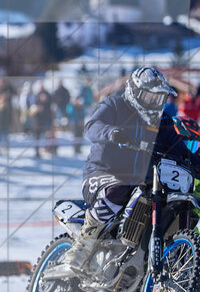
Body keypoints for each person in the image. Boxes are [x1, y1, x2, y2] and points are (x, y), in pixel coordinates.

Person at [65, 67, 197, 272]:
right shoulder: (115, 105)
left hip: (139, 183)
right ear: (134, 92)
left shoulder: (161, 122)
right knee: (118, 188)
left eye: (158, 98)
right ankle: (83, 244)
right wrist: (111, 133)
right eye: (149, 96)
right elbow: (92, 125)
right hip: (102, 174)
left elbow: (181, 152)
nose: (153, 102)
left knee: (163, 200)